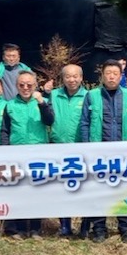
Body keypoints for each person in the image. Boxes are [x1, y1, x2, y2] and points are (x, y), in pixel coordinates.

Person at [76, 59, 127, 242]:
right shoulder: (92, 95)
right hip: (99, 153)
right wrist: (86, 148)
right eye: (108, 73)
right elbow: (84, 123)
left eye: (115, 73)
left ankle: (125, 228)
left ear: (121, 76)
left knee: (125, 190)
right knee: (99, 191)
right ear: (102, 76)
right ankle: (99, 228)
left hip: (124, 152)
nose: (111, 76)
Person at [0, 70, 54, 238]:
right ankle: (22, 229)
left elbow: (50, 121)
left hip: (38, 153)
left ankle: (36, 229)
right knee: (20, 192)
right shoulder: (10, 105)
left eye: (29, 85)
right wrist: (4, 150)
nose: (25, 88)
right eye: (21, 85)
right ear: (17, 86)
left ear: (35, 85)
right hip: (17, 154)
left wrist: (41, 104)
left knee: (37, 192)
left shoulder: (43, 101)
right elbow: (4, 130)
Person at [45, 63, 87, 238]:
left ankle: (85, 226)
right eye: (68, 76)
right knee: (62, 189)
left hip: (81, 148)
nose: (72, 79)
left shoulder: (89, 96)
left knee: (85, 189)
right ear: (62, 79)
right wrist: (46, 93)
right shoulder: (54, 95)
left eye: (75, 76)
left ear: (81, 78)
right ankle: (65, 226)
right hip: (58, 147)